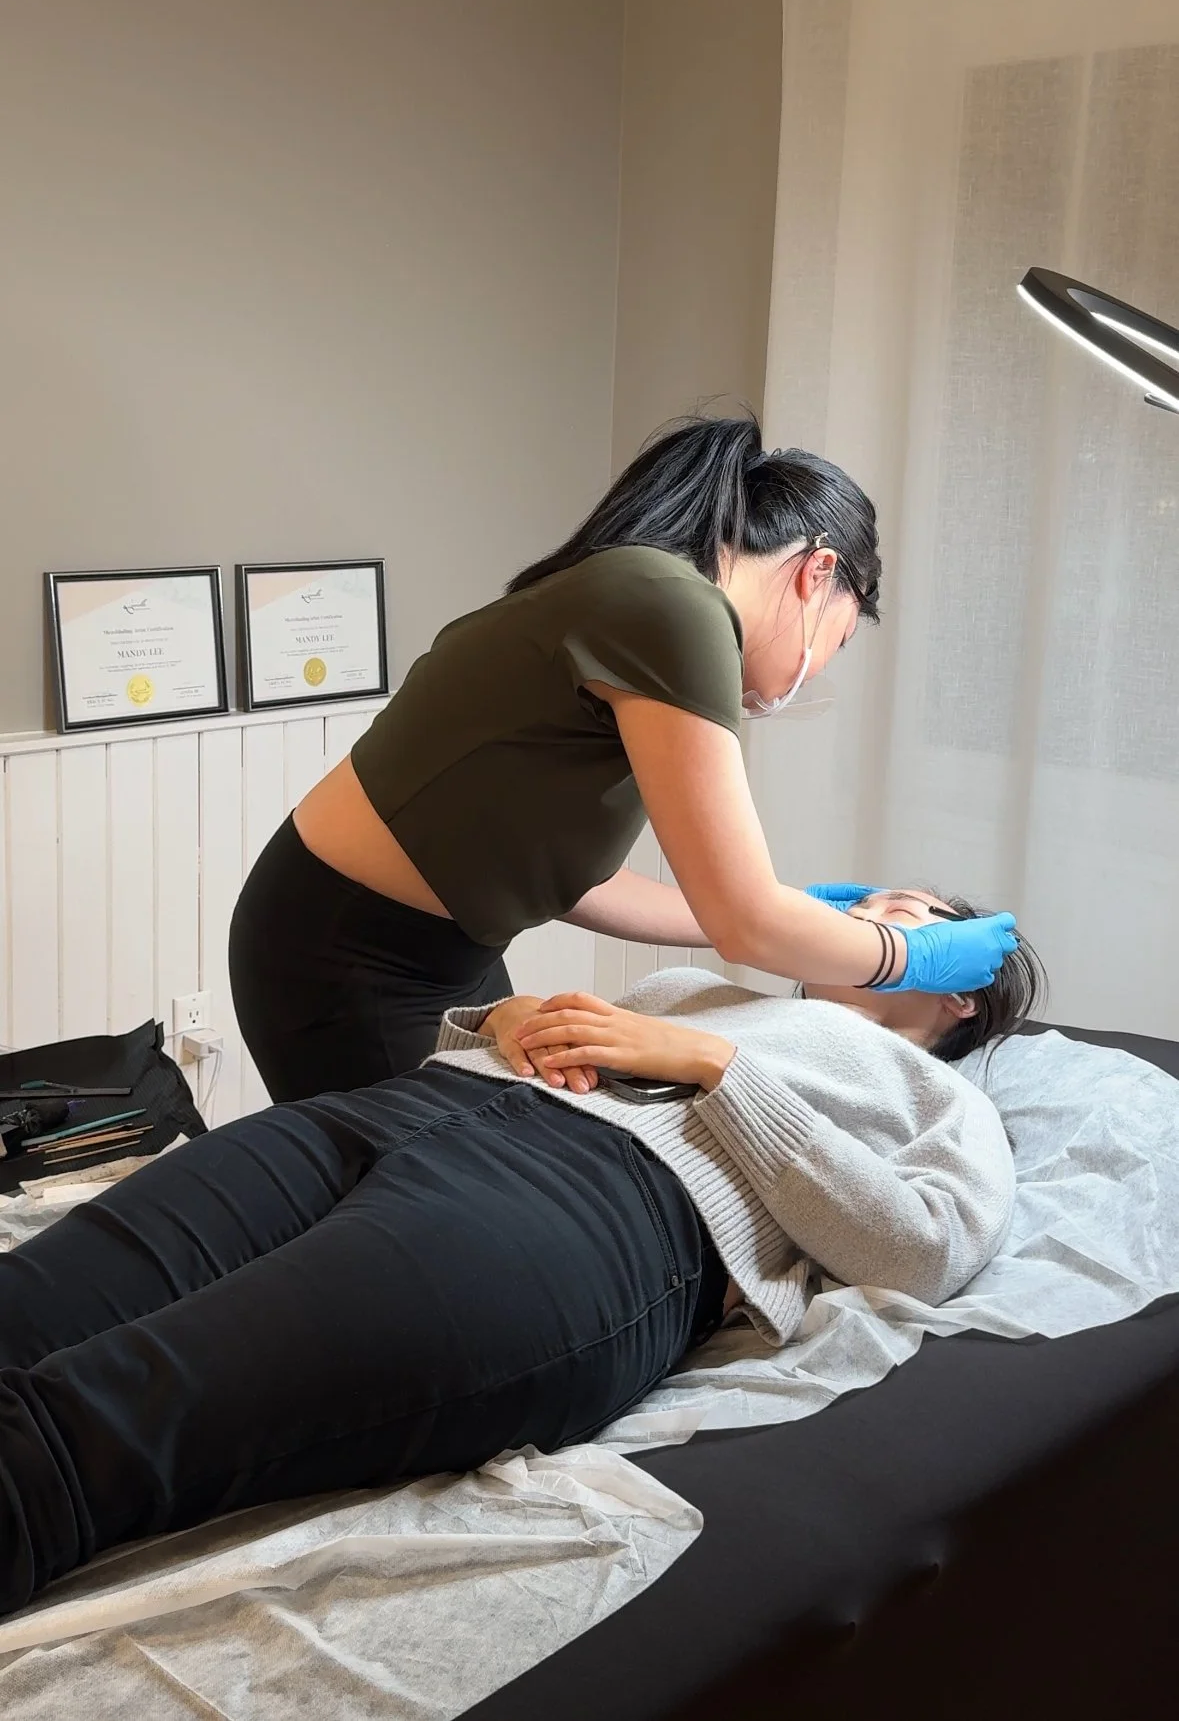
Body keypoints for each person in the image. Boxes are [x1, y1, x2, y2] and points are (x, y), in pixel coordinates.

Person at [0, 889, 1024, 1619]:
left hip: (591, 1208)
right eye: (862, 902)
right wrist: (499, 1019)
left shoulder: (942, 1097)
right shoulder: (697, 987)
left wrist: (721, 1071)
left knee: (86, 1429)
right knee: (23, 1307)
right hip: (395, 1112)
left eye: (906, 911)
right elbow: (512, 1047)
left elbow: (920, 1251)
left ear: (962, 992)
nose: (867, 912)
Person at [228, 413, 1018, 1098]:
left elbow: (578, 879)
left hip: (439, 948)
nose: (808, 674)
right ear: (818, 574)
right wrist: (903, 953)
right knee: (402, 1188)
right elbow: (746, 926)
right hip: (350, 951)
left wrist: (785, 909)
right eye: (836, 642)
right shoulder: (671, 611)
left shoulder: (646, 594)